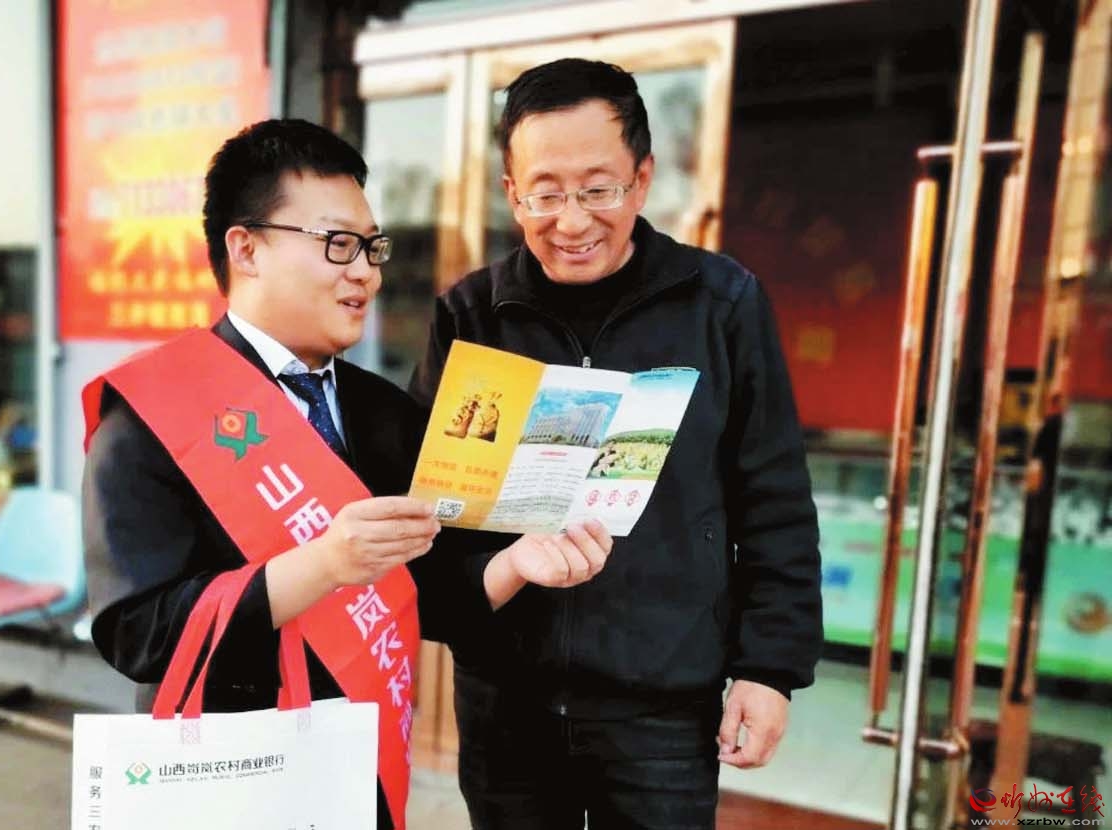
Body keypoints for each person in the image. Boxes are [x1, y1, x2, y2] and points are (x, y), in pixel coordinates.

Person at [81, 118, 612, 830]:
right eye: (337, 244)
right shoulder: (156, 411)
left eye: (371, 247)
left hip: (356, 770)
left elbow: (429, 592)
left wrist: (518, 563)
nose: (365, 272)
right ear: (246, 248)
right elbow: (137, 633)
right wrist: (325, 564)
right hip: (224, 772)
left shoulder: (384, 411)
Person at [410, 59, 823, 829]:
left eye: (598, 189)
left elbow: (774, 500)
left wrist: (769, 670)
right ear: (512, 194)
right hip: (506, 708)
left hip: (662, 709)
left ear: (642, 180)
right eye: (546, 194)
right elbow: (431, 518)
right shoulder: (472, 317)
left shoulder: (720, 304)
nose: (571, 222)